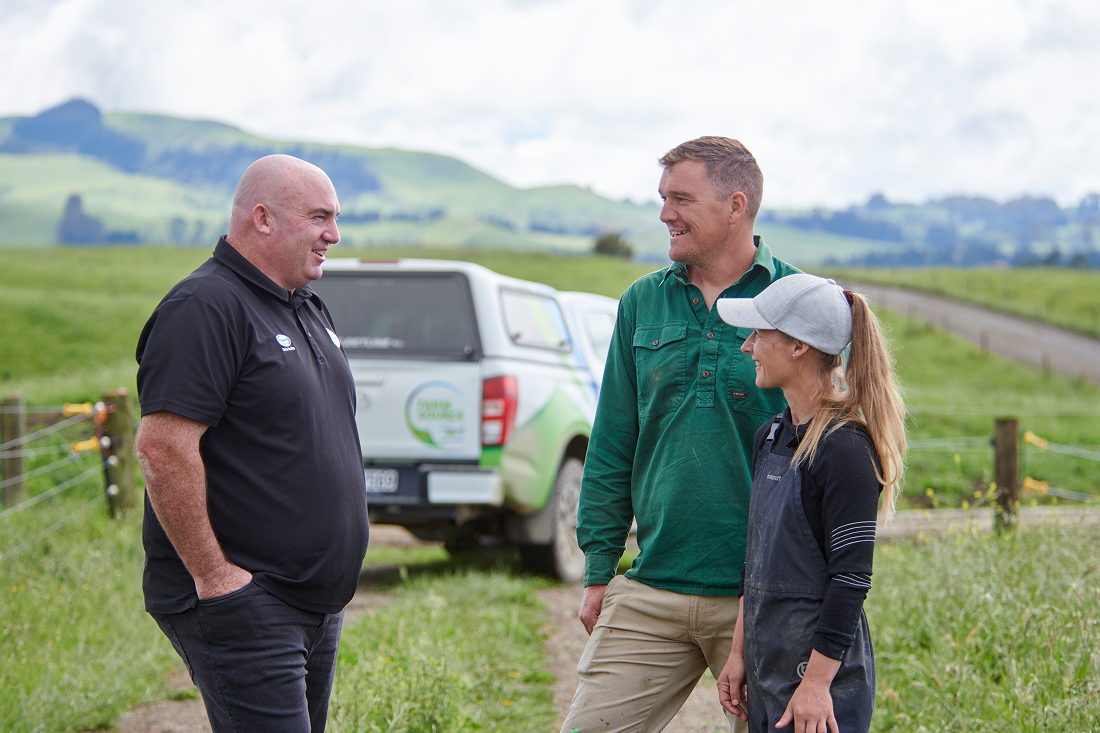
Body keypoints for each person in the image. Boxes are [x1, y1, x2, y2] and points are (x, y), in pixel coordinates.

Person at [560, 136, 799, 733]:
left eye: (681, 198)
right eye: (663, 198)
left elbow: (826, 452)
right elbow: (614, 439)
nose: (665, 213)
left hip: (762, 595)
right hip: (653, 585)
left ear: (735, 205)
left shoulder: (794, 302)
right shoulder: (643, 301)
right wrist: (598, 566)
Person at [134, 154, 368, 733]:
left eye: (334, 219)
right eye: (319, 217)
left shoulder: (306, 306)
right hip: (247, 603)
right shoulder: (205, 307)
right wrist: (217, 580)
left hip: (313, 604)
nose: (333, 235)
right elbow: (162, 449)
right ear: (263, 218)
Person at [713, 274, 906, 733]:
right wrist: (739, 655)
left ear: (799, 345)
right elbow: (754, 562)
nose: (747, 347)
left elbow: (851, 579)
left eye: (759, 334)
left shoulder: (845, 450)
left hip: (821, 683)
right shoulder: (771, 437)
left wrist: (817, 684)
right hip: (767, 669)